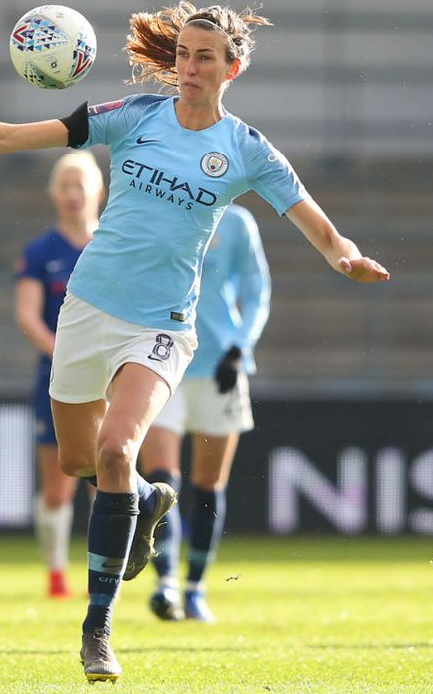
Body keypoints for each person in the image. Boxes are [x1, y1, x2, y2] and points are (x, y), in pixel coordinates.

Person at [0, 1, 390, 684]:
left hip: (163, 324)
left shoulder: (248, 150)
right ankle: (147, 497)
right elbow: (11, 136)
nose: (188, 68)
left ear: (233, 67)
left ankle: (97, 630)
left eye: (205, 58)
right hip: (87, 309)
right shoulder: (133, 117)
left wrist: (346, 257)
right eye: (184, 54)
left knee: (113, 447)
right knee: (81, 460)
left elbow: (314, 219)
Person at [139, 202, 269, 623]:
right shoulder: (156, 210)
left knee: (208, 484)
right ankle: (167, 584)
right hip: (161, 360)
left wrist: (239, 347)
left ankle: (195, 587)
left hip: (219, 367)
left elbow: (256, 291)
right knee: (162, 479)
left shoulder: (236, 223)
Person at [14, 151, 103, 598]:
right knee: (58, 486)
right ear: (53, 193)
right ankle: (55, 572)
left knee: (107, 477)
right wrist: (67, 355)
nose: (72, 194)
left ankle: (99, 574)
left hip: (108, 380)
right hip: (56, 380)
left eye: (79, 184)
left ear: (98, 191)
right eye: (64, 185)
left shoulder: (113, 245)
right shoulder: (40, 251)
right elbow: (29, 318)